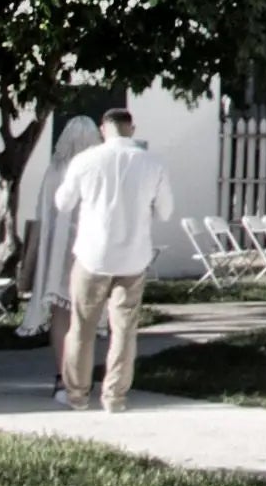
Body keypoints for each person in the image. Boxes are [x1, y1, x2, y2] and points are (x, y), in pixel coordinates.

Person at [48, 104, 174, 412]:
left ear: (103, 130)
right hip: (133, 256)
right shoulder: (152, 163)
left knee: (82, 327)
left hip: (93, 254)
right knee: (124, 329)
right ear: (132, 128)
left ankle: (76, 394)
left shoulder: (86, 160)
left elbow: (63, 203)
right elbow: (166, 212)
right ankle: (115, 397)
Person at [20, 110, 100, 375]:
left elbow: (45, 213)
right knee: (85, 314)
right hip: (87, 249)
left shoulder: (53, 171)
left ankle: (62, 373)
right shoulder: (96, 171)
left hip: (56, 251)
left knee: (60, 314)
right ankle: (80, 373)